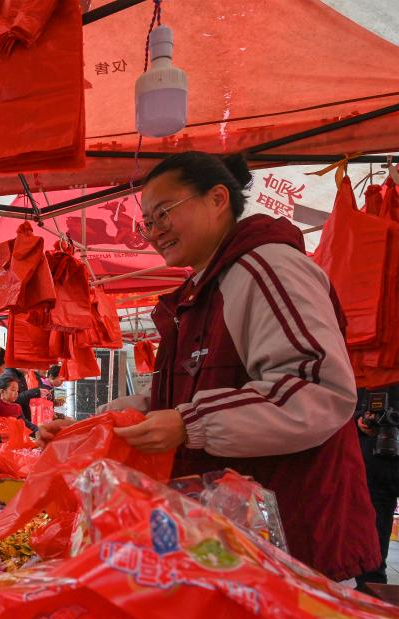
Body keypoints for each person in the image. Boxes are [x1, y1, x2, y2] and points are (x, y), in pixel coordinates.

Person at [48, 150, 378, 581]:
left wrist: (190, 422)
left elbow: (317, 389)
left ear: (218, 198)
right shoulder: (202, 288)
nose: (154, 231)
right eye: (147, 221)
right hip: (233, 544)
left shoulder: (268, 267)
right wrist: (96, 426)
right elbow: (182, 394)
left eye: (163, 212)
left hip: (297, 546)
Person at [354, 386, 399, 588]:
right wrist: (360, 420)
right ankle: (371, 593)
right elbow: (341, 408)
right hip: (375, 465)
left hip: (377, 467)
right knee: (372, 538)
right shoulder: (366, 373)